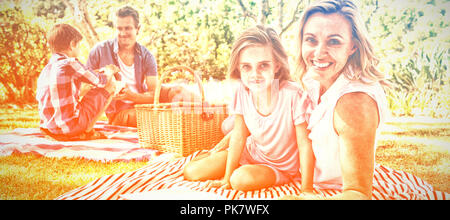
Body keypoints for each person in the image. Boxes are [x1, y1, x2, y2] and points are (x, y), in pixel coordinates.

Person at [183, 25, 315, 193]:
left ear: (277, 66)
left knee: (239, 180)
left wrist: (307, 189)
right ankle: (222, 162)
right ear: (239, 68)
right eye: (247, 67)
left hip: (278, 167)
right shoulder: (242, 91)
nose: (255, 74)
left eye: (263, 65)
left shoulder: (293, 95)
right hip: (250, 154)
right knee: (191, 172)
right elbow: (238, 136)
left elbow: (304, 144)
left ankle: (235, 170)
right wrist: (226, 177)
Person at [284, 0, 388, 200]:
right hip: (297, 175)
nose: (319, 53)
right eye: (311, 40)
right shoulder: (313, 79)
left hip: (331, 191)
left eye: (334, 41)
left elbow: (357, 193)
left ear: (353, 47)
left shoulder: (355, 101)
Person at [87, 6, 195, 127]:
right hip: (120, 112)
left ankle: (204, 119)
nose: (122, 33)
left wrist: (132, 96)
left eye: (127, 28)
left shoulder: (146, 56)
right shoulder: (99, 51)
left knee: (181, 91)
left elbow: (154, 93)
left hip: (142, 100)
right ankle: (177, 123)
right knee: (155, 118)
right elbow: (85, 87)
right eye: (119, 28)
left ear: (138, 29)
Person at [36, 24, 119, 141]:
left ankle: (71, 131)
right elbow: (101, 81)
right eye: (78, 45)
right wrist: (110, 71)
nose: (79, 48)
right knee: (111, 83)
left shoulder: (47, 68)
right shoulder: (70, 63)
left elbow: (85, 77)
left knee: (88, 88)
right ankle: (88, 131)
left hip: (49, 128)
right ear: (71, 45)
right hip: (71, 127)